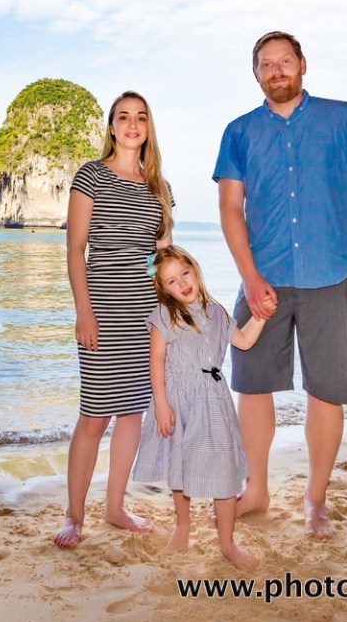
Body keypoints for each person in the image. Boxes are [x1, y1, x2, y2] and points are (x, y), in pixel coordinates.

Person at [215, 31, 347, 539]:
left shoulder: (343, 118)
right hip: (262, 277)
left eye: (284, 61)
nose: (276, 71)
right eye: (266, 65)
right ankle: (257, 488)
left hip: (332, 275)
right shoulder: (239, 132)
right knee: (251, 386)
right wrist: (249, 278)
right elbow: (229, 210)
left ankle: (316, 500)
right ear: (255, 74)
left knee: (326, 392)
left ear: (302, 65)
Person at [54, 91, 174, 549]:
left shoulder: (158, 186)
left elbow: (162, 255)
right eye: (123, 117)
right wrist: (83, 311)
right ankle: (73, 514)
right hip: (103, 307)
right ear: (110, 126)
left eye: (141, 117)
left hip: (145, 309)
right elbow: (75, 249)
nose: (132, 125)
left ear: (148, 127)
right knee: (93, 414)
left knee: (132, 412)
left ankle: (115, 506)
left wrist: (178, 308)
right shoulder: (91, 176)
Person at [133, 245, 267, 570]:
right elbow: (156, 360)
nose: (182, 283)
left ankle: (227, 543)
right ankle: (182, 525)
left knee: (223, 471)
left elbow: (245, 341)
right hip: (179, 402)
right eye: (171, 282)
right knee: (181, 467)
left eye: (184, 274)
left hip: (215, 402)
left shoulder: (217, 311)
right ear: (163, 290)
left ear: (195, 268)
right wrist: (161, 405)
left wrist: (261, 315)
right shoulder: (165, 315)